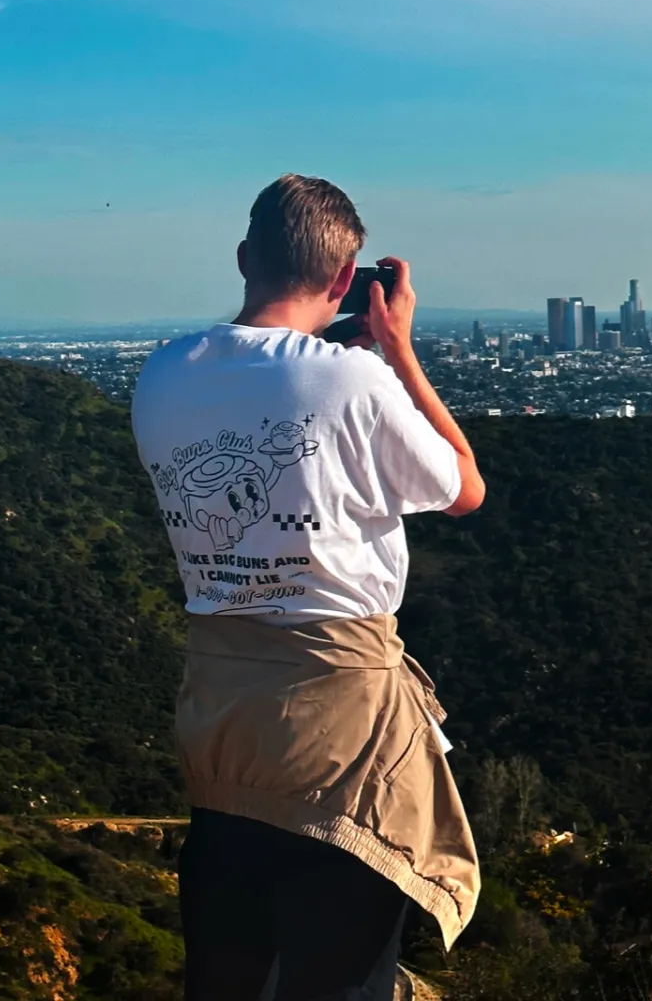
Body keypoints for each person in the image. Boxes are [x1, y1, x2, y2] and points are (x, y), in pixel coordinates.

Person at [131, 174, 485, 1000]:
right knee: (339, 979)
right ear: (344, 279)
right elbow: (465, 488)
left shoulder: (161, 375)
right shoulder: (349, 379)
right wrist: (397, 351)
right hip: (338, 730)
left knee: (226, 976)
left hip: (219, 719)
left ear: (246, 257)